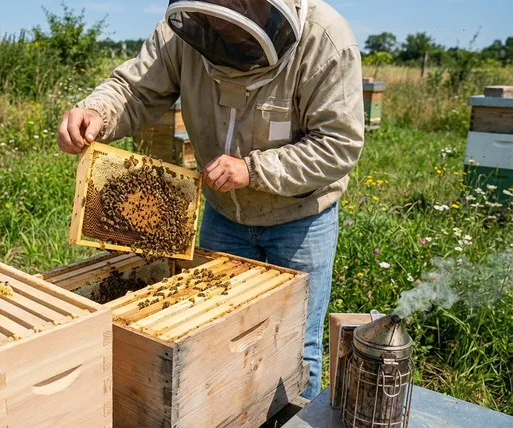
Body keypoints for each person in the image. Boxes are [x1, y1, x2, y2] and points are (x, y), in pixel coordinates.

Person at [56, 0, 364, 400]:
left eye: (236, 30)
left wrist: (253, 170)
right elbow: (134, 88)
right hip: (223, 215)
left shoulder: (325, 40)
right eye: (217, 27)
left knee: (296, 344)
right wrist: (97, 110)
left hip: (301, 217)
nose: (227, 39)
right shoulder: (186, 32)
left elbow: (337, 144)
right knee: (214, 337)